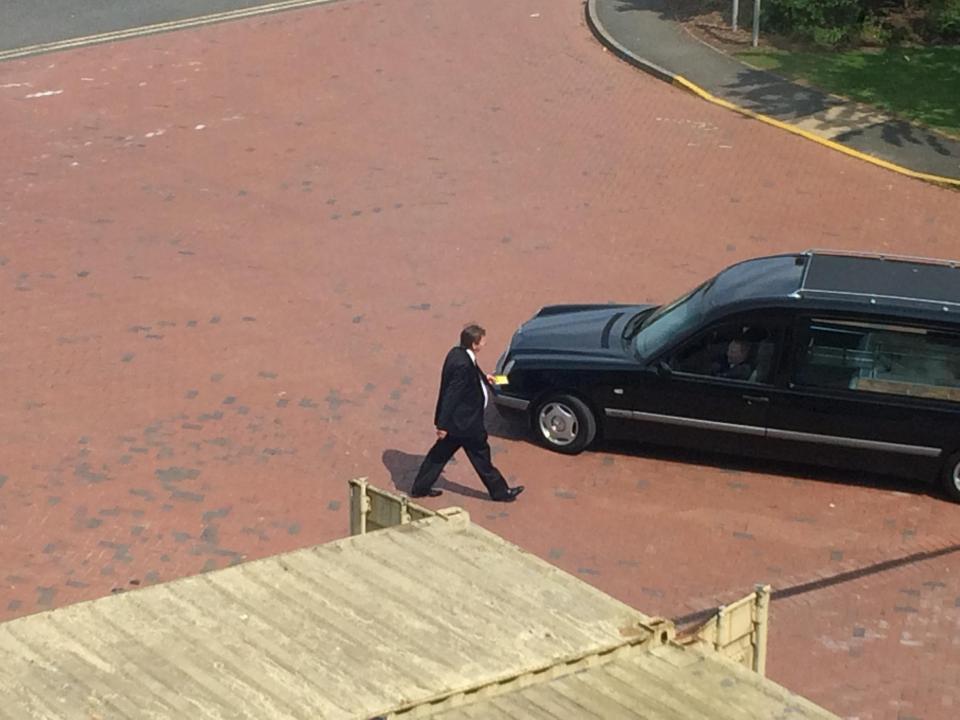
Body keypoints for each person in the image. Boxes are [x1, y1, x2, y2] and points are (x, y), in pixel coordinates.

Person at [409, 324, 524, 502]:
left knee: (438, 455)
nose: (485, 344)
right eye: (482, 341)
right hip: (466, 423)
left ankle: (420, 488)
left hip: (457, 423)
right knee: (481, 457)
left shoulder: (458, 353)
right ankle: (501, 492)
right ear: (474, 344)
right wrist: (442, 425)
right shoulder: (463, 364)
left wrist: (484, 378)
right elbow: (451, 395)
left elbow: (466, 377)